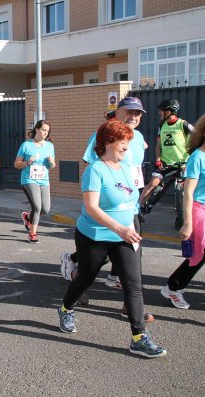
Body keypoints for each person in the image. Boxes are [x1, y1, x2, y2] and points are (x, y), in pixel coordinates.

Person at [57, 120, 166, 358]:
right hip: (94, 235)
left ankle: (138, 337)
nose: (127, 145)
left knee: (133, 284)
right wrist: (119, 228)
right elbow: (92, 207)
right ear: (107, 142)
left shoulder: (126, 168)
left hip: (124, 234)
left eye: (128, 141)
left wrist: (133, 223)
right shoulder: (95, 170)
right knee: (86, 278)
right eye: (122, 141)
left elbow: (130, 201)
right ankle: (66, 308)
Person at [61, 98, 153, 321]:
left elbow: (134, 170)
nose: (134, 116)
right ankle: (73, 277)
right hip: (101, 217)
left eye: (138, 113)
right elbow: (94, 170)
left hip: (128, 210)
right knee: (92, 268)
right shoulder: (102, 136)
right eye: (129, 111)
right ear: (118, 112)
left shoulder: (138, 138)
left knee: (133, 271)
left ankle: (133, 314)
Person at [160, 114, 205, 309]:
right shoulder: (197, 157)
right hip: (199, 210)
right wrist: (187, 223)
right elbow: (188, 192)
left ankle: (173, 287)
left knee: (200, 255)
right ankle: (173, 287)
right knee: (198, 255)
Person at [139, 99, 194, 206]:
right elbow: (158, 145)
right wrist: (158, 159)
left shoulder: (183, 124)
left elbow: (198, 136)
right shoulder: (162, 126)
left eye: (161, 111)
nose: (159, 113)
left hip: (183, 164)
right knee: (153, 182)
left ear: (168, 112)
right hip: (165, 163)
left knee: (189, 186)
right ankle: (138, 208)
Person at [14, 120, 55, 243]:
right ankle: (33, 233)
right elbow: (16, 164)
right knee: (37, 207)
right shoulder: (26, 145)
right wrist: (27, 162)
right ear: (36, 129)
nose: (45, 133)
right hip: (29, 179)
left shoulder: (49, 146)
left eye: (47, 131)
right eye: (43, 130)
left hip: (44, 180)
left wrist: (52, 163)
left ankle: (27, 217)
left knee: (45, 209)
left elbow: (52, 165)